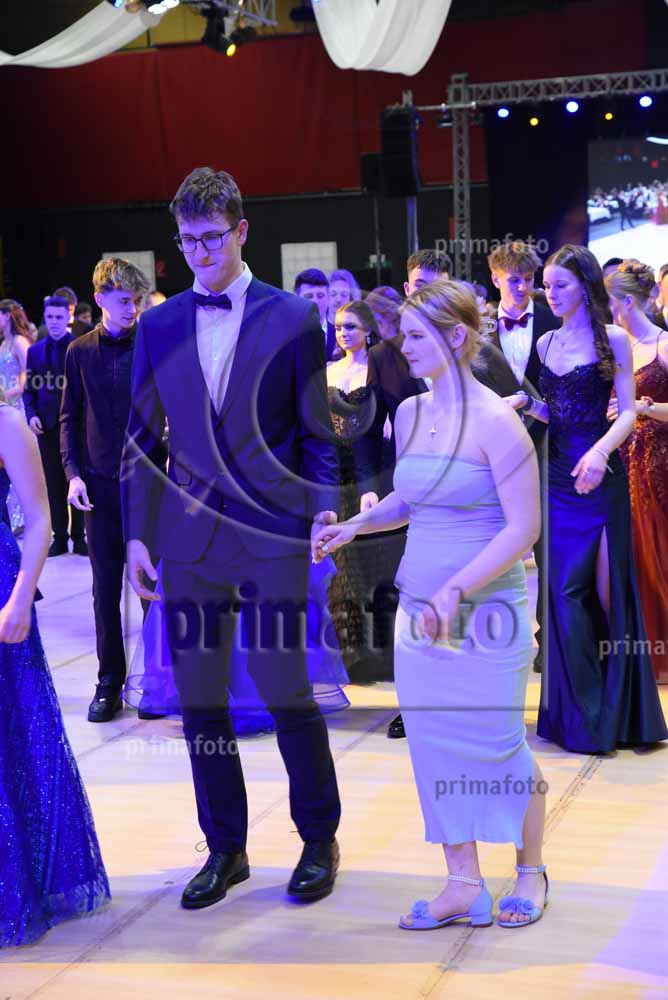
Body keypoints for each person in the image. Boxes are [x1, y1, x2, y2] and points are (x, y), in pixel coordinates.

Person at [122, 167, 342, 911]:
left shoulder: (293, 317)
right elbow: (141, 439)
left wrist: (323, 511)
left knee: (285, 689)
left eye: (212, 237)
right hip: (188, 543)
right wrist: (137, 537)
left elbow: (316, 433)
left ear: (242, 230)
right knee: (200, 702)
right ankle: (226, 848)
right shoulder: (157, 326)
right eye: (187, 240)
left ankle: (318, 838)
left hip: (272, 534)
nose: (199, 252)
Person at [313, 280, 549, 929]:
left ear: (455, 336)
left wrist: (457, 589)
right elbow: (411, 498)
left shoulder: (498, 421)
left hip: (489, 612)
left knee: (498, 744)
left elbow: (523, 527)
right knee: (433, 743)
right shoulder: (412, 412)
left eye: (416, 336)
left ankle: (530, 870)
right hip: (421, 608)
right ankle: (462, 882)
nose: (402, 346)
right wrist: (356, 525)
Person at [526, 244, 667, 753]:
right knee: (565, 594)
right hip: (558, 481)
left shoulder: (614, 339)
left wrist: (601, 452)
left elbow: (627, 412)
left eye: (560, 285)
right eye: (547, 285)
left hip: (602, 477)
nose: (551, 293)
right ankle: (581, 717)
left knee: (608, 596)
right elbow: (555, 412)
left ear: (585, 286)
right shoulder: (545, 343)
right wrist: (528, 405)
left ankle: (621, 713)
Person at [0, 393, 110, 947]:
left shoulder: (6, 422)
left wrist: (21, 597)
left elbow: (41, 518)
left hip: (1, 591)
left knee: (11, 734)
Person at [61, 258, 151, 723]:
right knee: (105, 591)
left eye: (136, 300)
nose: (132, 309)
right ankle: (109, 683)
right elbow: (69, 418)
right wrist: (72, 474)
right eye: (123, 301)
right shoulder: (78, 351)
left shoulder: (152, 343)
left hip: (149, 486)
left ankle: (157, 681)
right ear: (99, 299)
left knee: (151, 588)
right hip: (98, 488)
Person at [482, 240, 556, 677]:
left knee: (548, 549)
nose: (523, 287)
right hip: (493, 450)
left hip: (548, 443)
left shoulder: (553, 319)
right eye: (514, 280)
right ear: (495, 278)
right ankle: (495, 641)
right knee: (492, 543)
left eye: (529, 279)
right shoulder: (478, 327)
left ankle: (549, 642)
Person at [605, 260, 668, 683]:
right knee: (625, 554)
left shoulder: (663, 343)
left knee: (657, 551)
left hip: (658, 462)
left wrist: (645, 408)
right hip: (620, 461)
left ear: (627, 301)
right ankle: (636, 652)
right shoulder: (613, 345)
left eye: (610, 301)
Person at [326, 299, 390, 682]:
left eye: (350, 326)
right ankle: (353, 657)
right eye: (338, 327)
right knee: (342, 572)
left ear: (367, 330)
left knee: (375, 567)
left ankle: (382, 655)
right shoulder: (328, 371)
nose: (343, 333)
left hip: (373, 478)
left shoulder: (380, 369)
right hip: (335, 480)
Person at [24, 295, 87, 557]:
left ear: (68, 318)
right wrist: (31, 415)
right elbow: (29, 390)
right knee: (53, 484)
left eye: (59, 317)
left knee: (77, 479)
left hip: (76, 427)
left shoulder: (80, 346)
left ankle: (79, 538)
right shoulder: (34, 351)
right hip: (47, 428)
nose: (54, 322)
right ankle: (59, 538)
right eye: (50, 317)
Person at [0, 299, 31, 534]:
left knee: (19, 464)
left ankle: (23, 519)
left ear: (7, 315)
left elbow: (27, 377)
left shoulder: (20, 342)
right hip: (4, 405)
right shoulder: (3, 343)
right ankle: (10, 519)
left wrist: (8, 392)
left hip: (16, 406)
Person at [294, 267, 337, 361]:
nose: (315, 301)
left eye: (320, 296)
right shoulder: (287, 337)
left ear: (328, 298)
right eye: (309, 296)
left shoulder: (340, 334)